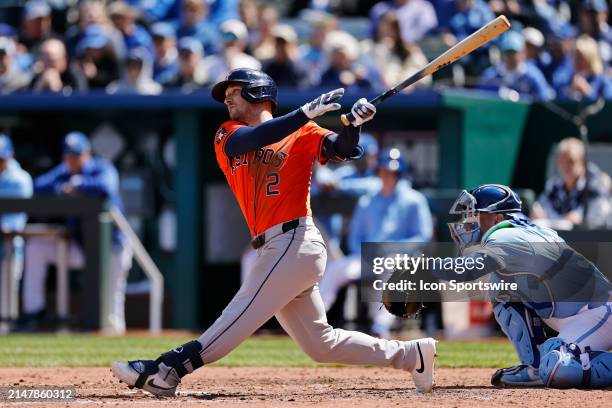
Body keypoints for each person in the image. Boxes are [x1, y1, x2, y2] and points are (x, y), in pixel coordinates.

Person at [111, 68, 437, 396]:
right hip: (273, 246)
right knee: (321, 345)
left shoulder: (303, 131)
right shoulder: (228, 132)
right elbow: (255, 139)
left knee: (239, 313)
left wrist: (354, 126)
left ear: (258, 92)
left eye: (234, 90)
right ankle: (410, 354)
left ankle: (168, 370)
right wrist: (304, 112)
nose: (227, 97)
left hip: (295, 240)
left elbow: (341, 150)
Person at [439, 184, 612, 388]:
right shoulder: (520, 233)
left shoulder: (506, 236)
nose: (469, 221)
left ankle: (549, 366)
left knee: (559, 368)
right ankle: (535, 368)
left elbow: (466, 270)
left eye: (476, 214)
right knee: (500, 286)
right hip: (571, 316)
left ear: (497, 218)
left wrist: (419, 266)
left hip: (597, 313)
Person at [21, 132, 133, 334]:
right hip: (81, 248)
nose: (72, 160)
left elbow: (107, 186)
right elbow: (37, 186)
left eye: (76, 155)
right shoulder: (64, 171)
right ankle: (33, 311)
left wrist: (79, 184)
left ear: (87, 153)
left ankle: (116, 342)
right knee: (36, 247)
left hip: (112, 249)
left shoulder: (102, 167)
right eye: (68, 155)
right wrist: (63, 186)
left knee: (111, 306)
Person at [320, 147, 434, 337]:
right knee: (335, 270)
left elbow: (423, 235)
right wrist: (366, 252)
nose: (387, 174)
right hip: (367, 257)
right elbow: (355, 236)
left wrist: (393, 250)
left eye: (391, 171)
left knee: (389, 266)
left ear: (399, 173)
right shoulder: (368, 200)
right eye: (383, 170)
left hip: (400, 259)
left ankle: (380, 327)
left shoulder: (414, 199)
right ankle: (316, 318)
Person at [531, 137, 611, 230]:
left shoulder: (596, 186)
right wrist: (538, 212)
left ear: (583, 163)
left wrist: (582, 220)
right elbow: (541, 207)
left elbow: (601, 216)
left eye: (570, 162)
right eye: (561, 161)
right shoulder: (553, 186)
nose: (565, 166)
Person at [0, 134, 33, 300]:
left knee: (5, 303)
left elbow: (12, 220)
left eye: (1, 159)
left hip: (9, 246)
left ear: (10, 155)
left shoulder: (20, 179)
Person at [479, 30, 554, 100]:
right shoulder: (490, 75)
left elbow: (543, 99)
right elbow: (481, 99)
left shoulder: (533, 76)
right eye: (507, 52)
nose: (510, 57)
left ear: (523, 52)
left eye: (514, 53)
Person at [202, 20, 261, 84]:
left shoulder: (253, 64)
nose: (229, 43)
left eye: (234, 39)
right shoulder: (208, 63)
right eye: (226, 37)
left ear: (243, 42)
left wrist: (231, 63)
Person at [558, 34, 612, 101]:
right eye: (575, 55)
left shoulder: (602, 80)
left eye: (580, 56)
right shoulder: (569, 78)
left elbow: (608, 105)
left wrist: (588, 92)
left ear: (590, 58)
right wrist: (569, 91)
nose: (576, 60)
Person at [150, 22, 178, 86]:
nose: (158, 44)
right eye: (155, 40)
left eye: (161, 40)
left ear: (173, 41)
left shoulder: (181, 61)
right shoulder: (148, 60)